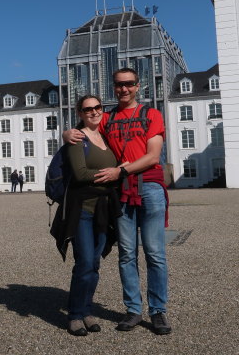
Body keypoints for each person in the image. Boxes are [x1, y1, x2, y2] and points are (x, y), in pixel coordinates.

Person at [63, 68, 171, 335]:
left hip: (149, 186)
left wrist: (120, 171)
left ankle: (157, 311)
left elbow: (153, 157)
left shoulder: (151, 114)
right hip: (120, 191)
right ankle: (133, 310)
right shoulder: (107, 118)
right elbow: (85, 129)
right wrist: (65, 134)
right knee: (126, 254)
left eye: (129, 84)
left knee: (155, 253)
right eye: (119, 85)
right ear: (114, 87)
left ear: (138, 86)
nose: (124, 89)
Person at [51, 95, 121, 336]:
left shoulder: (106, 137)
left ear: (102, 109)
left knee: (95, 262)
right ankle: (75, 315)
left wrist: (118, 172)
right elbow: (80, 174)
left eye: (97, 107)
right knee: (84, 262)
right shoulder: (77, 138)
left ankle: (87, 310)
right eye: (87, 109)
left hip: (104, 209)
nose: (93, 112)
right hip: (82, 209)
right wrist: (113, 173)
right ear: (79, 113)